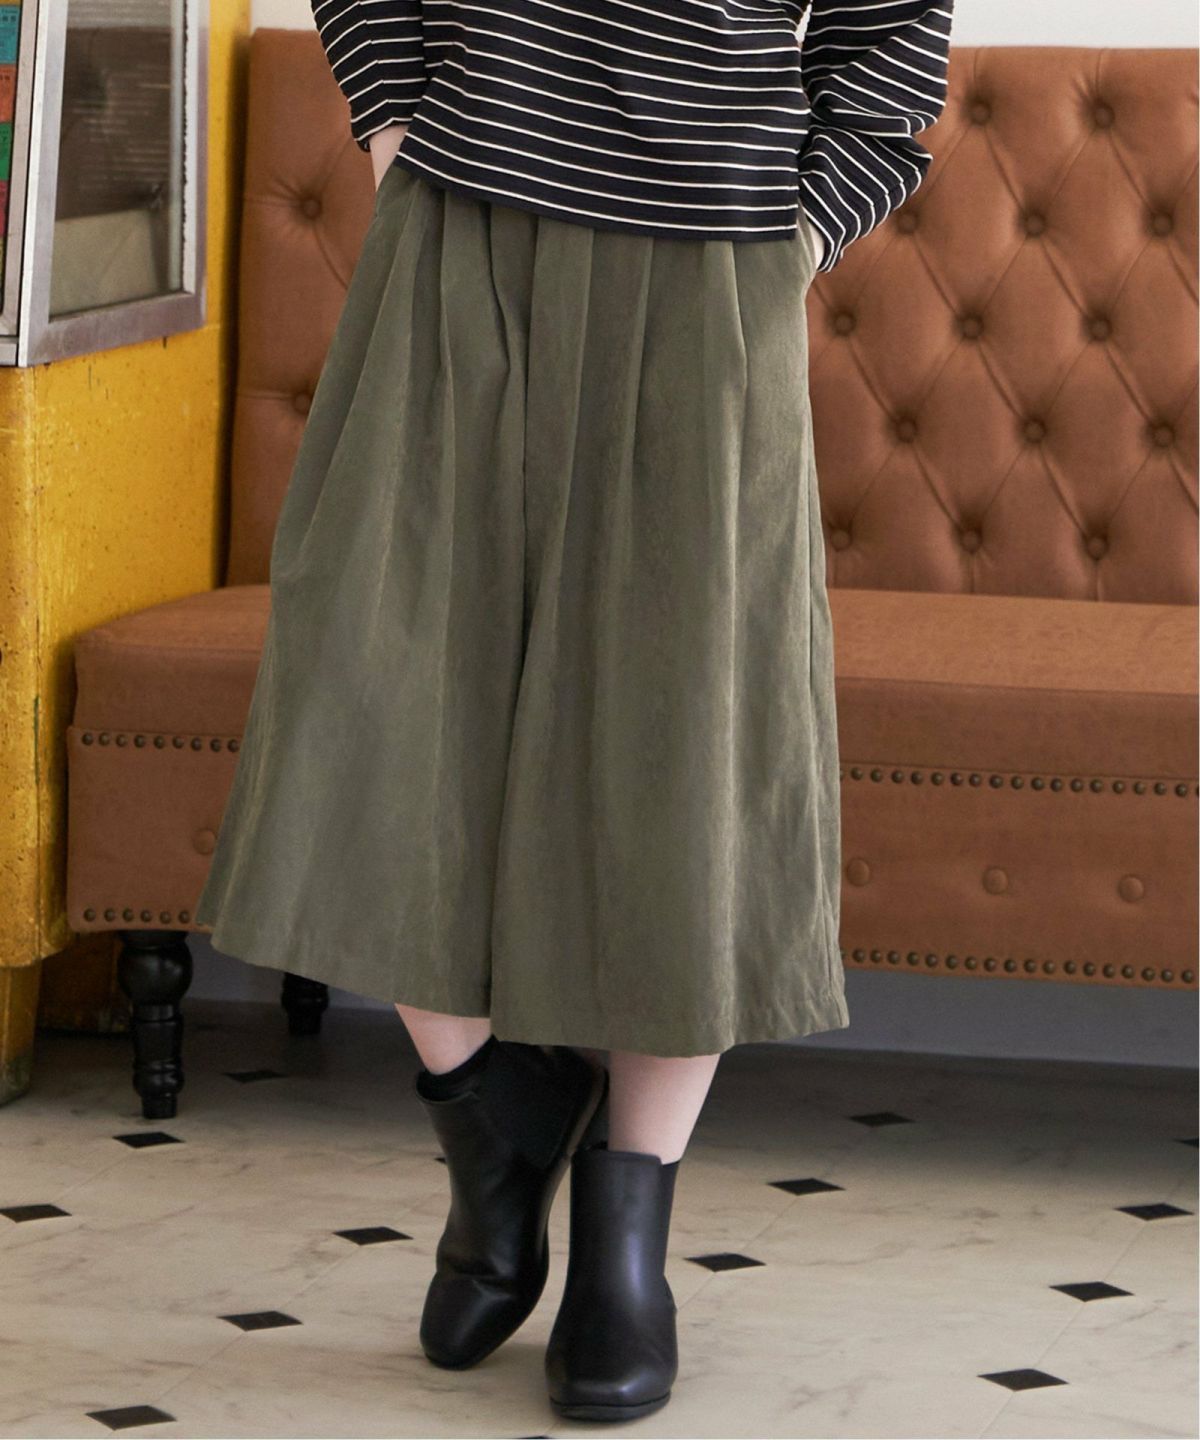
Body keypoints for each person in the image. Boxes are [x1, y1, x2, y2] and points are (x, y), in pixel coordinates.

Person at [194, 0, 953, 1421]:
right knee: (370, 681)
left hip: (711, 262)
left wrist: (791, 234)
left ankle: (625, 1238)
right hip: (455, 220)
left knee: (686, 735)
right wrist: (394, 126)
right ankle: (492, 1117)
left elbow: (891, 38)